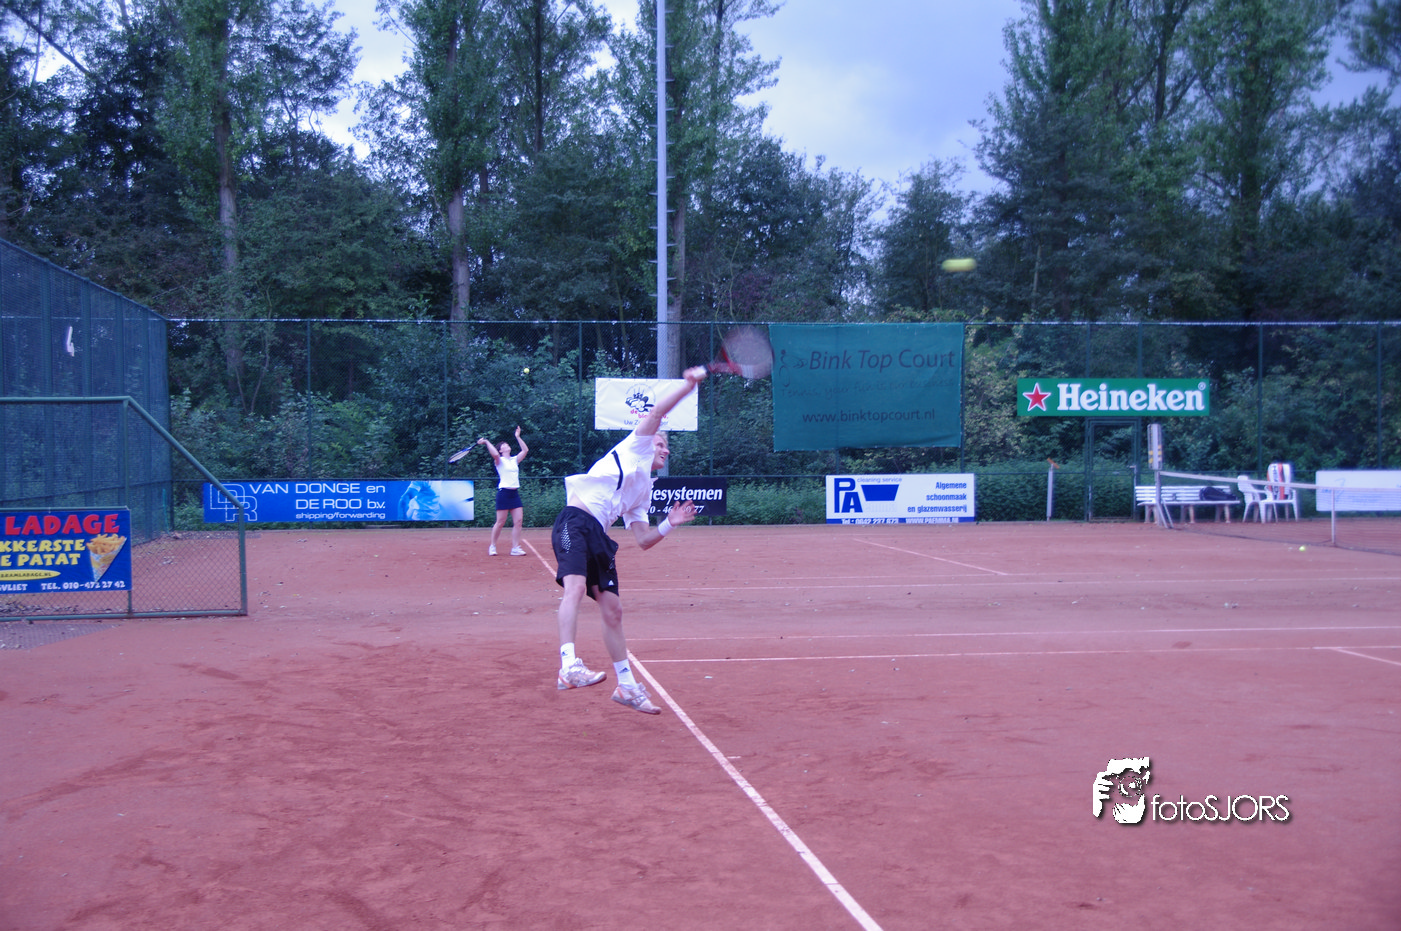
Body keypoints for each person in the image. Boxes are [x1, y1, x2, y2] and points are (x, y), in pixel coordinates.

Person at [552, 367, 707, 714]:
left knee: (614, 610)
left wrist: (669, 523)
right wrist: (688, 386)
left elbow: (643, 540)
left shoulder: (644, 489)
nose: (666, 450)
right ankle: (568, 666)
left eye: (667, 446)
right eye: (662, 444)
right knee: (575, 588)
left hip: (598, 534)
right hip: (574, 520)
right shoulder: (635, 447)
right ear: (648, 441)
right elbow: (657, 412)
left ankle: (626, 686)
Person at [478, 426, 528, 556]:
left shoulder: (514, 460)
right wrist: (486, 442)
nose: (507, 445)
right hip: (504, 494)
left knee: (518, 522)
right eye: (504, 445)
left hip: (514, 494)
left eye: (507, 444)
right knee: (500, 522)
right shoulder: (499, 461)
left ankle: (515, 548)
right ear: (501, 450)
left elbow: (525, 450)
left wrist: (517, 436)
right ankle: (492, 546)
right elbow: (494, 454)